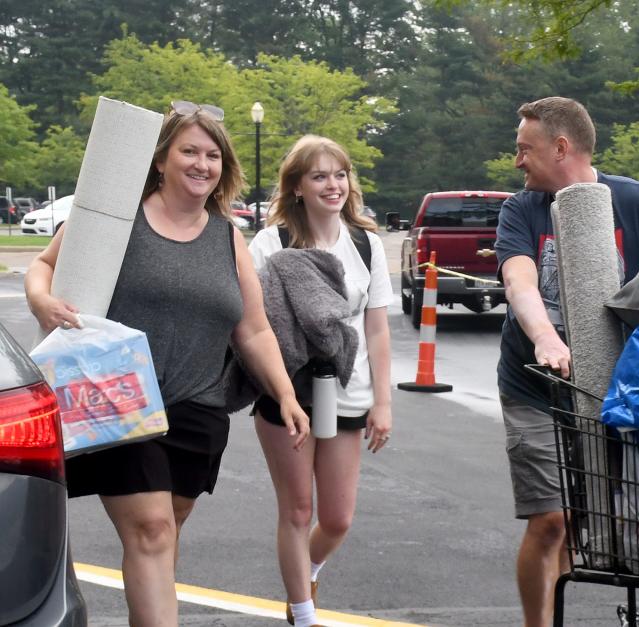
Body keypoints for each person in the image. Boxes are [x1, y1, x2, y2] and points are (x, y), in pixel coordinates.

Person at [24, 101, 310, 627]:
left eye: (213, 155)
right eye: (189, 152)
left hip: (199, 411)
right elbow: (43, 266)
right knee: (153, 530)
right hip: (120, 405)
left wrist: (285, 394)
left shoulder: (227, 236)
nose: (203, 164)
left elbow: (253, 329)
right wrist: (43, 301)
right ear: (161, 160)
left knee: (162, 537)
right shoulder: (117, 219)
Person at [494, 96, 639, 627]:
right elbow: (519, 280)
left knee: (580, 521)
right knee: (551, 519)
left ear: (562, 147)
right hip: (533, 384)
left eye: (525, 149)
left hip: (609, 390)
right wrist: (547, 338)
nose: (517, 160)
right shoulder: (521, 209)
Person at [247, 135, 393, 627]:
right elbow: (253, 323)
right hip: (286, 390)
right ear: (296, 187)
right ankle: (303, 615)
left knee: (336, 518)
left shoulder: (365, 243)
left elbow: (376, 328)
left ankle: (306, 573)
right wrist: (279, 386)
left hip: (346, 391)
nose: (332, 184)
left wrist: (384, 403)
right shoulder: (271, 243)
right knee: (297, 509)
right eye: (318, 176)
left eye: (339, 174)